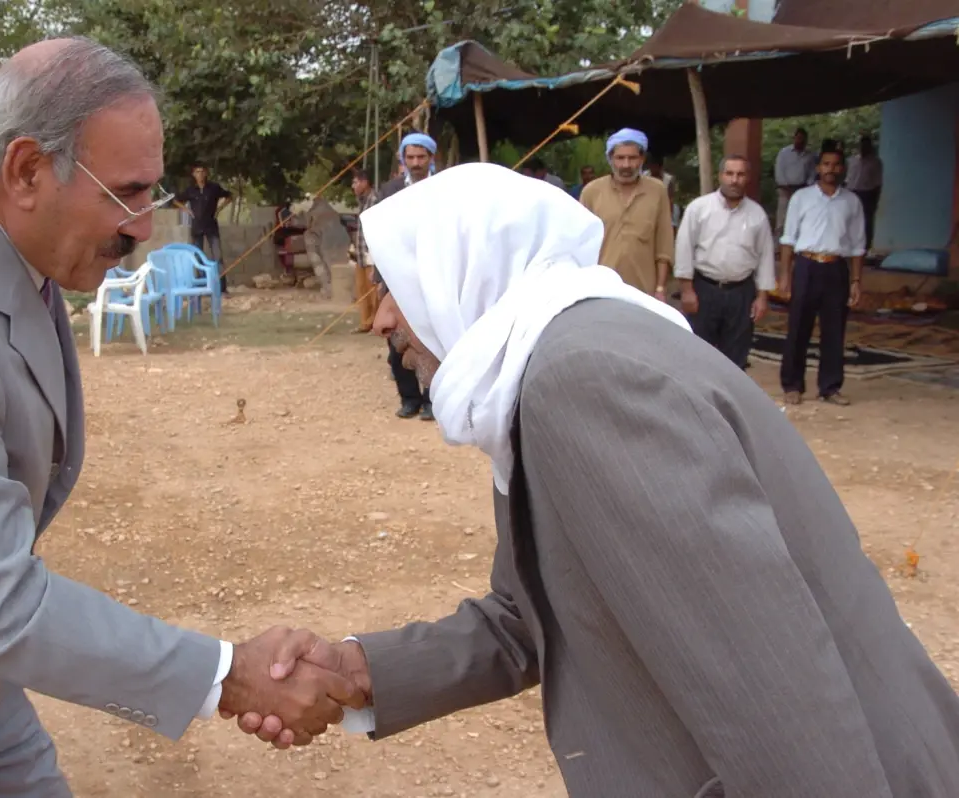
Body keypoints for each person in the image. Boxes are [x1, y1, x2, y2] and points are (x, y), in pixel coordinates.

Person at [230, 162, 959, 797]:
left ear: (463, 270)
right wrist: (357, 671)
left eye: (396, 287)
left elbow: (771, 690)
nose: (380, 318)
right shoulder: (543, 366)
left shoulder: (583, 382)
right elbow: (529, 616)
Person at [0, 38, 362, 796]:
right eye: (127, 194)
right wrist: (228, 675)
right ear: (24, 171)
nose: (143, 224)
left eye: (152, 192)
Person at [779, 148, 866, 407]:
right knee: (798, 328)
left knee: (834, 330)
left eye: (836, 165)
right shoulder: (801, 198)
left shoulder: (851, 202)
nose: (831, 169)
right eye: (826, 164)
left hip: (836, 268)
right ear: (818, 168)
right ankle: (792, 385)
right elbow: (787, 238)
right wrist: (785, 274)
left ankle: (830, 387)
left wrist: (856, 281)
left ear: (842, 169)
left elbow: (858, 246)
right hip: (806, 265)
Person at [675, 155, 775, 368]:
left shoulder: (757, 215)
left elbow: (765, 256)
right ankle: (698, 400)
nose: (734, 180)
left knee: (736, 356)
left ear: (747, 178)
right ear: (720, 176)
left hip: (741, 292)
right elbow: (684, 248)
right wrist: (686, 289)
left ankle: (728, 401)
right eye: (729, 173)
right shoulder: (699, 208)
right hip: (704, 289)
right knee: (697, 351)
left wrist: (762, 297)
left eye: (740, 174)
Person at [375, 131, 436, 420]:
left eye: (421, 157)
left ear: (431, 158)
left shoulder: (443, 187)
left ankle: (432, 400)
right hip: (396, 275)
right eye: (410, 157)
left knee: (433, 337)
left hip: (434, 273)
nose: (415, 162)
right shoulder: (389, 190)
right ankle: (409, 398)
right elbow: (378, 236)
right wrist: (380, 279)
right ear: (403, 158)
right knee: (398, 337)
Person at [579, 128, 674, 298]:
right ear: (610, 159)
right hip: (601, 290)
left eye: (632, 158)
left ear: (642, 159)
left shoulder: (657, 191)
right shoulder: (592, 192)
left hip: (644, 290)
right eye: (620, 158)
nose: (626, 165)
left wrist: (660, 288)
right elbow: (580, 244)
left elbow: (664, 244)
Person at [173, 161, 233, 293]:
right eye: (197, 172)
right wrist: (187, 210)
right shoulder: (190, 190)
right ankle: (202, 287)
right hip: (196, 227)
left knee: (217, 257)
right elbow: (176, 200)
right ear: (193, 175)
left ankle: (222, 288)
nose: (200, 174)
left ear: (206, 173)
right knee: (198, 258)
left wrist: (219, 210)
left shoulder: (214, 188)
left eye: (202, 172)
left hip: (211, 226)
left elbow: (229, 196)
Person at [350, 168, 380, 332]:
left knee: (373, 289)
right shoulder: (362, 201)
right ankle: (365, 322)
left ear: (364, 182)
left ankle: (375, 321)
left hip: (370, 254)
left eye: (355, 182)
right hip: (360, 253)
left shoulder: (374, 200)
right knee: (362, 289)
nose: (353, 186)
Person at [774, 127, 815, 235]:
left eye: (803, 139)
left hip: (802, 188)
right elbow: (779, 170)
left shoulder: (809, 155)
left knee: (800, 215)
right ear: (794, 138)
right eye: (798, 138)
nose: (800, 141)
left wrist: (808, 186)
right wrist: (785, 186)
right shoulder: (784, 152)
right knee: (782, 216)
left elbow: (812, 172)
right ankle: (779, 242)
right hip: (785, 189)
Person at [846, 135, 883, 252]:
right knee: (849, 219)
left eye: (866, 145)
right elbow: (847, 178)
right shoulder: (851, 160)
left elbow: (878, 182)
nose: (863, 148)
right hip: (851, 192)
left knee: (866, 221)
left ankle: (865, 247)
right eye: (861, 145)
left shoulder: (875, 162)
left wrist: (875, 200)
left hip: (867, 193)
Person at [299, 194, 340, 298]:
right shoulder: (331, 211)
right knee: (332, 264)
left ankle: (327, 288)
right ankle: (336, 289)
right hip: (334, 240)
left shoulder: (312, 211)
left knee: (319, 264)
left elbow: (308, 225)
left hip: (318, 239)